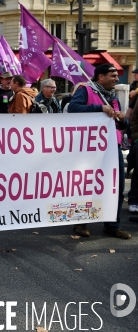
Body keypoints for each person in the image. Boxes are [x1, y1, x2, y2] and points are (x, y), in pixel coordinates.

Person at [68, 64, 131, 239]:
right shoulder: (86, 91)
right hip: (90, 149)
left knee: (115, 187)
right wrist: (99, 108)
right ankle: (80, 223)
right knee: (86, 186)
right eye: (113, 75)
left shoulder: (113, 97)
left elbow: (121, 125)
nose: (117, 79)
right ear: (100, 77)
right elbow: (73, 109)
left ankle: (112, 225)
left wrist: (122, 119)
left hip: (113, 148)